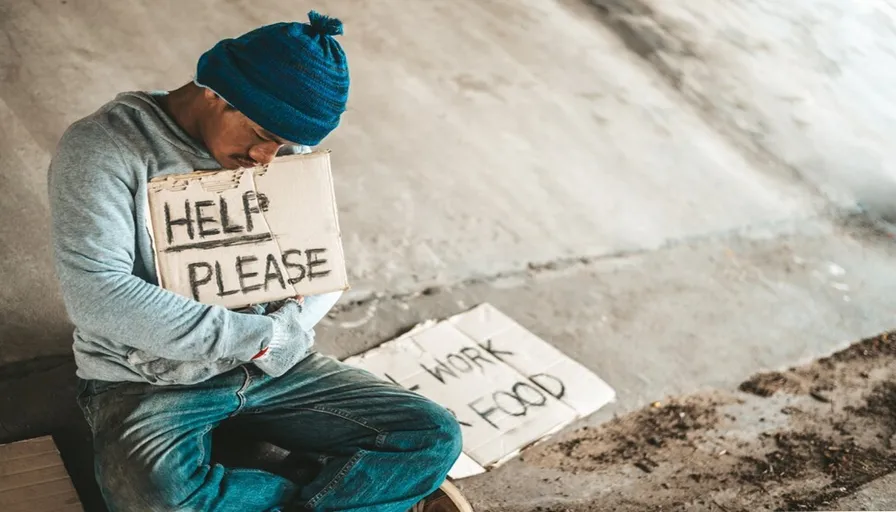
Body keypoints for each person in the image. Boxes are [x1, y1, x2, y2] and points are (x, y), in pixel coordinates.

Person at [48, 11, 473, 512]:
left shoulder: (283, 148)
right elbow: (97, 294)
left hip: (273, 366)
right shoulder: (105, 149)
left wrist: (286, 328)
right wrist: (259, 338)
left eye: (288, 143)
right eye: (260, 132)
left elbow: (320, 264)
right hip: (149, 378)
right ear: (214, 90)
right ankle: (338, 494)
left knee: (432, 436)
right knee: (158, 501)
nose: (267, 157)